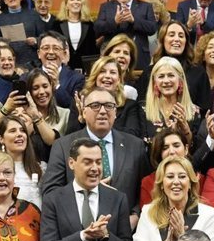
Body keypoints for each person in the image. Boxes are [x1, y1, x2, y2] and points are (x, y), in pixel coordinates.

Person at [42, 88, 149, 226]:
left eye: (109, 106)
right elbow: (51, 192)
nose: (103, 111)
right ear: (84, 112)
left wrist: (135, 215)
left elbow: (145, 188)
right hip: (78, 230)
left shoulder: (135, 145)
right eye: (95, 106)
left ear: (115, 112)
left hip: (125, 232)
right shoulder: (63, 146)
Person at [0, 115, 44, 207]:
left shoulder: (41, 168)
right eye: (13, 131)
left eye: (22, 130)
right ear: (1, 139)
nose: (19, 134)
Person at [95, 0, 157, 71]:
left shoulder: (145, 6)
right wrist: (115, 21)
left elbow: (152, 28)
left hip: (139, 58)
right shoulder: (106, 7)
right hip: (112, 59)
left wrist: (133, 20)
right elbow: (97, 28)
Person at [142, 56, 201, 141]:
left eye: (171, 75)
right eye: (161, 76)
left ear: (180, 79)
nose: (166, 81)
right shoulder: (143, 110)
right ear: (154, 82)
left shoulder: (194, 112)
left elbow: (194, 149)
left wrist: (185, 129)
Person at [0, 0, 44, 69]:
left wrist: (35, 41)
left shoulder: (33, 15)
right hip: (7, 63)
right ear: (4, 0)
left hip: (32, 64)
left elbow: (44, 38)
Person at [35, 31, 85, 110]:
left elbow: (75, 108)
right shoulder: (27, 78)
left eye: (56, 48)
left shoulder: (77, 79)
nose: (51, 52)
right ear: (38, 53)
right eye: (46, 48)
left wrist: (57, 86)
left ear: (64, 54)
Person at [57, 0, 98, 72]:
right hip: (63, 68)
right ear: (66, 4)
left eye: (78, 0)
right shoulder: (57, 24)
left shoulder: (89, 24)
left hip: (85, 69)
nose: (75, 2)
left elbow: (93, 49)